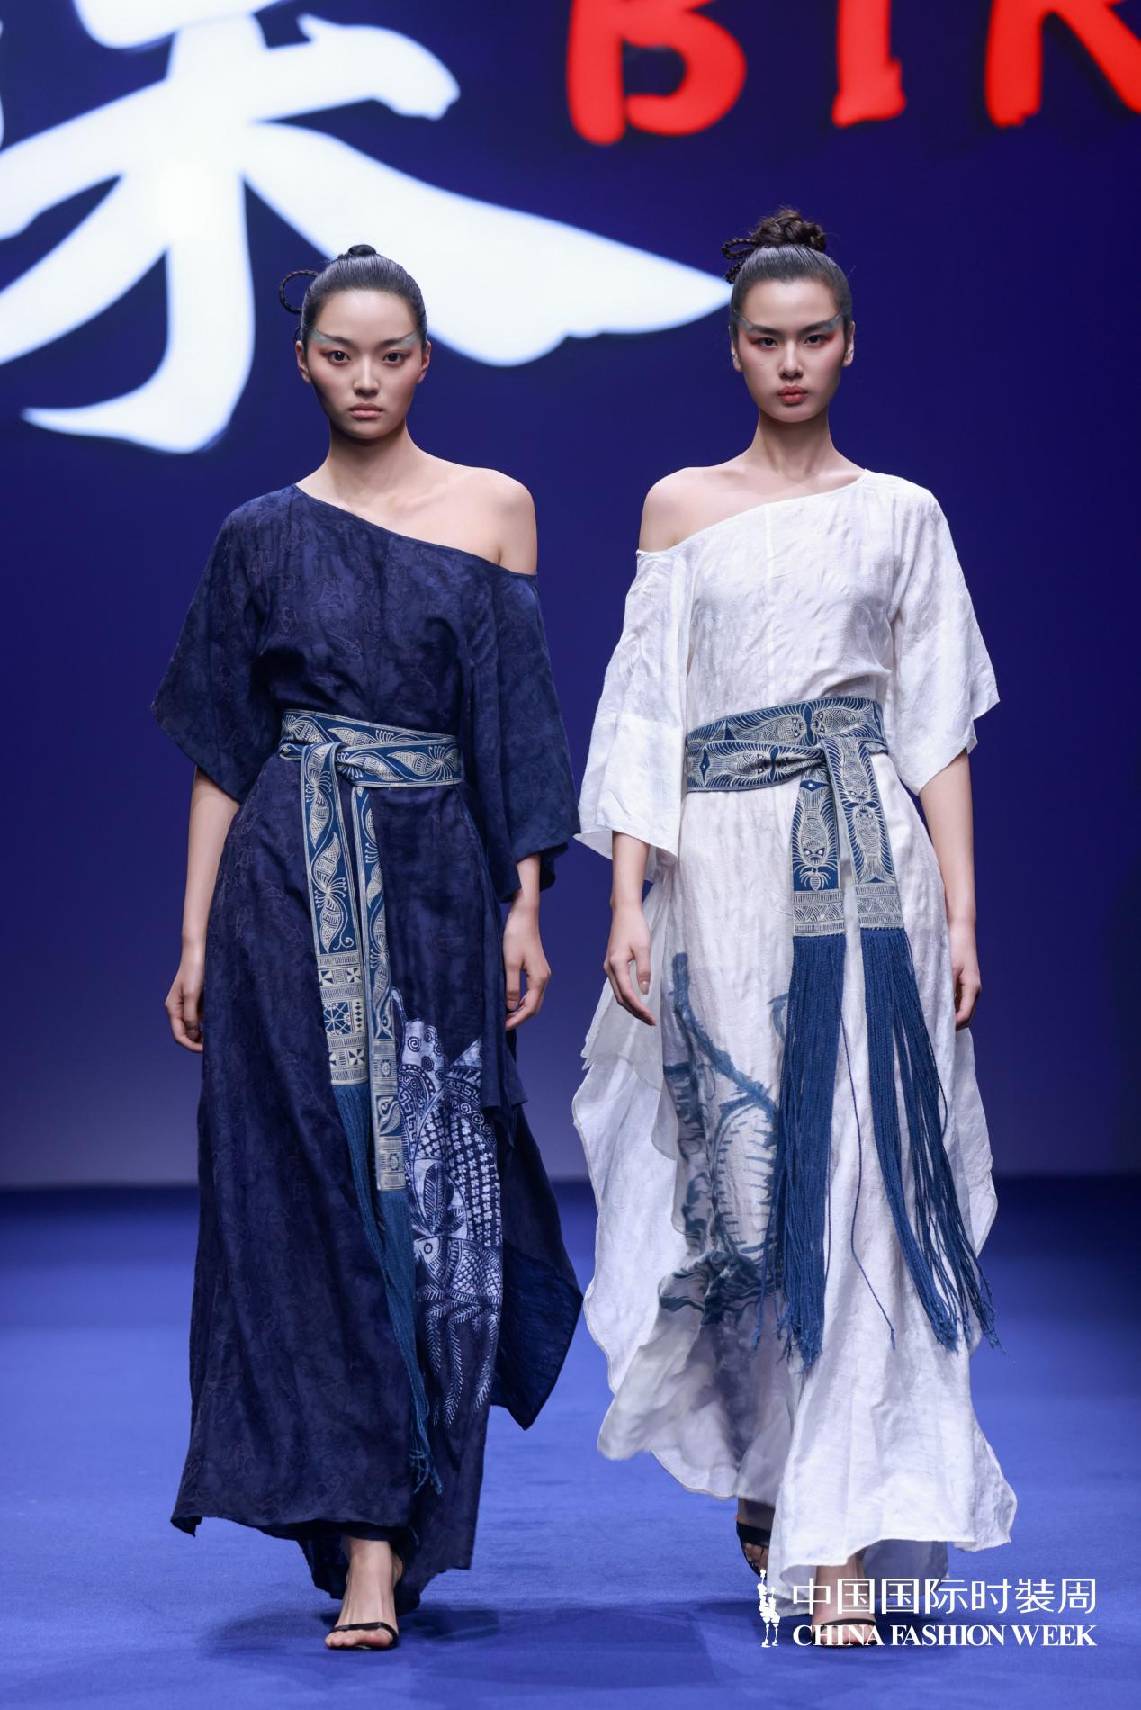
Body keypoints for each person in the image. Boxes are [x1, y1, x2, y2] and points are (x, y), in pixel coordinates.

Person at [572, 208, 1017, 1646]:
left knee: (866, 1190)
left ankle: (835, 1547)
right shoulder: (679, 507)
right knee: (751, 1193)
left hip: (868, 875)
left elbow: (935, 726)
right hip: (720, 875)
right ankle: (774, 1472)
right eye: (764, 339)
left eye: (812, 337)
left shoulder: (903, 515)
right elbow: (645, 715)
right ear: (732, 350)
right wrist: (625, 894)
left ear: (848, 345)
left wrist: (962, 909)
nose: (788, 361)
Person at [153, 244, 582, 1651]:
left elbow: (516, 726)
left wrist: (526, 900)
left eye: (390, 355)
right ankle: (367, 1545)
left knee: (438, 1196)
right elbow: (224, 750)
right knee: (308, 1192)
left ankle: (405, 1508)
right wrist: (195, 931)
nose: (365, 379)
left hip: (441, 881)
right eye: (339, 355)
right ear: (303, 363)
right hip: (287, 881)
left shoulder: (493, 509)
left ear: (424, 361)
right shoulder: (258, 536)